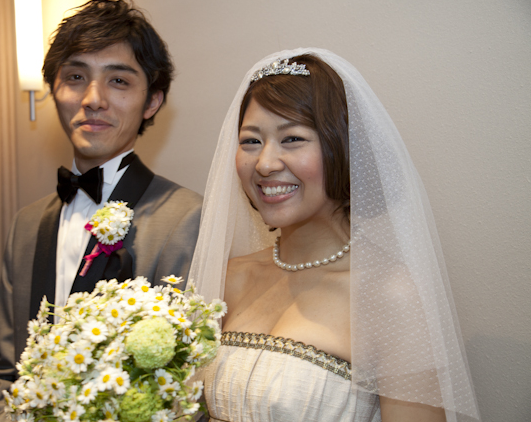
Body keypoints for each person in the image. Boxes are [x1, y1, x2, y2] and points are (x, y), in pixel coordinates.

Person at [189, 49, 480, 421]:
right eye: (251, 141)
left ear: (342, 148)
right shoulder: (230, 278)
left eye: (292, 138)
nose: (265, 163)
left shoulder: (388, 296)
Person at [0, 0, 201, 421]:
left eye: (118, 80)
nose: (93, 99)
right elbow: (2, 371)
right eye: (76, 77)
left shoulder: (187, 219)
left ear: (152, 101)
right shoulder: (26, 223)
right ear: (53, 89)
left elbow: (185, 384)